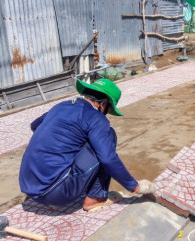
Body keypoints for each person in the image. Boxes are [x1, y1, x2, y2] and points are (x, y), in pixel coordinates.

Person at [19, 79, 156, 211]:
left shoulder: (61, 106)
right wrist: (134, 187)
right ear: (103, 104)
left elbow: (35, 125)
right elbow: (108, 159)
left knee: (88, 140)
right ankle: (95, 198)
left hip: (28, 187)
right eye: (108, 109)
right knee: (108, 138)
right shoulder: (95, 118)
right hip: (55, 193)